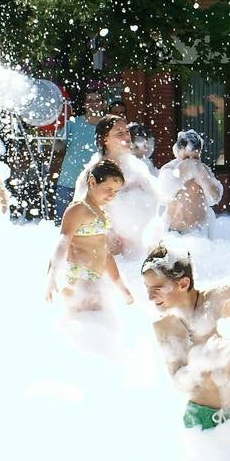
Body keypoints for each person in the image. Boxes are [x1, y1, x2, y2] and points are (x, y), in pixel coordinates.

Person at [142, 244, 230, 432]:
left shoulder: (217, 299)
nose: (150, 297)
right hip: (201, 418)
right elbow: (177, 380)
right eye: (147, 288)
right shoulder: (163, 325)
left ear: (183, 284)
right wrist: (199, 363)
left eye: (157, 288)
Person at [46, 159, 132, 311]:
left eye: (116, 191)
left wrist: (121, 287)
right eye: (108, 188)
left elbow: (105, 253)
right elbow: (62, 242)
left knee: (98, 324)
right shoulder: (79, 208)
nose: (112, 195)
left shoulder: (102, 213)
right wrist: (51, 276)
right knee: (84, 324)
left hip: (93, 278)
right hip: (78, 277)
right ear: (92, 183)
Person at [75, 114, 159, 257]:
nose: (127, 136)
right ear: (104, 140)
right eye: (119, 133)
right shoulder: (94, 171)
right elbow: (80, 211)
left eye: (127, 131)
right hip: (110, 250)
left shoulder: (137, 167)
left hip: (138, 247)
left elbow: (157, 200)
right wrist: (106, 234)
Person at [50, 90, 105, 221]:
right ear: (85, 105)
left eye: (97, 100)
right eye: (89, 101)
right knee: (62, 225)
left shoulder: (107, 125)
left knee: (92, 229)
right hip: (68, 181)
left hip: (96, 185)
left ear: (103, 104)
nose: (93, 104)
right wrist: (52, 137)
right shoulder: (73, 123)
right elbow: (59, 147)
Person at [159, 130, 223, 234]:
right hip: (175, 233)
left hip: (200, 233)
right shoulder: (170, 169)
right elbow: (163, 195)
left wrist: (201, 174)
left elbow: (215, 197)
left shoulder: (203, 170)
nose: (191, 161)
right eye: (187, 157)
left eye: (195, 158)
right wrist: (188, 169)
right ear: (178, 152)